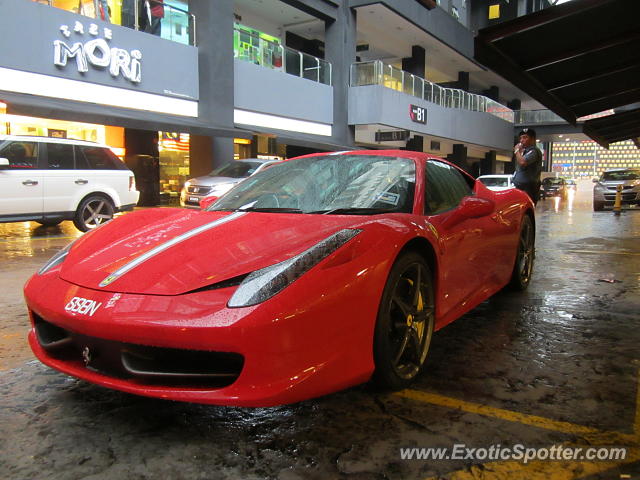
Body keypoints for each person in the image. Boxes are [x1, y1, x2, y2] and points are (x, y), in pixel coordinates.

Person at [513, 127, 542, 205]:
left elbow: (522, 162)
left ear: (532, 139)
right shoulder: (525, 151)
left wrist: (516, 151)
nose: (521, 140)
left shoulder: (533, 151)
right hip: (521, 186)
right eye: (521, 138)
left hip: (528, 188)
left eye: (525, 137)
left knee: (526, 210)